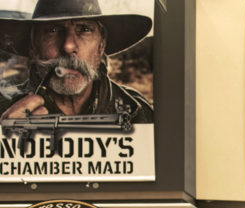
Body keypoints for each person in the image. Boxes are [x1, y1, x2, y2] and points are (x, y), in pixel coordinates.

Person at [0, 0, 153, 123]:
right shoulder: (4, 110)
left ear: (101, 46)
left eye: (84, 29)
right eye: (53, 30)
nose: (68, 46)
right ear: (33, 46)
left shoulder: (138, 112)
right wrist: (5, 141)